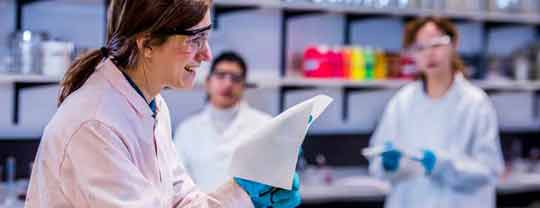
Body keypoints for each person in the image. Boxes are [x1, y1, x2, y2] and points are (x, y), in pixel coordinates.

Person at [24, 0, 301, 207]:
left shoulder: (153, 104)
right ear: (147, 44)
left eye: (207, 36)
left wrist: (246, 191)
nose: (207, 54)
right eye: (195, 39)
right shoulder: (95, 125)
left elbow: (183, 202)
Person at [368, 17, 504, 208]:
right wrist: (387, 164)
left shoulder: (475, 103)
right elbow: (377, 163)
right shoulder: (402, 101)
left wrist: (442, 165)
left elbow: (489, 170)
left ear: (453, 44)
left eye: (436, 44)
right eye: (420, 48)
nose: (429, 54)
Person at [174, 51, 273, 192]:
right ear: (208, 82)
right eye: (221, 76)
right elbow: (177, 184)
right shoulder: (186, 130)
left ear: (244, 86)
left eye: (235, 78)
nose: (228, 83)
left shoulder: (264, 126)